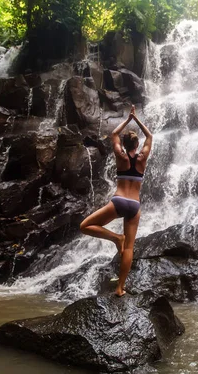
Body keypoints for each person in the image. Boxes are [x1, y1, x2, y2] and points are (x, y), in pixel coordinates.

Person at [80, 105, 153, 297]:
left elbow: (113, 133)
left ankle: (115, 237)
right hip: (134, 206)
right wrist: (137, 120)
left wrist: (128, 120)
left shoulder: (121, 157)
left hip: (119, 201)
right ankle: (120, 287)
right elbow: (150, 137)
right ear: (136, 146)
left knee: (85, 226)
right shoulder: (142, 159)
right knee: (129, 248)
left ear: (125, 144)